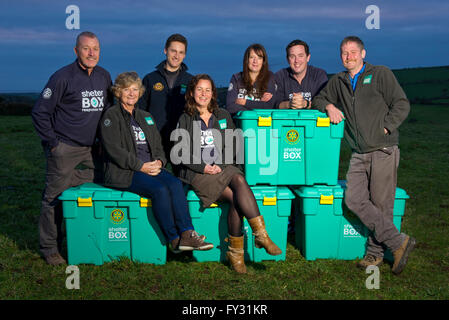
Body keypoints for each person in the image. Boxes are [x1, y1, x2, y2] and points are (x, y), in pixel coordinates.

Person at [312, 36, 416, 275]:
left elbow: (401, 103)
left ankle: (375, 254)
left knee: (382, 204)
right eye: (344, 53)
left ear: (363, 53)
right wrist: (329, 107)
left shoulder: (380, 74)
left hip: (383, 149)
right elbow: (319, 99)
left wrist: (387, 127)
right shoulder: (338, 80)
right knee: (353, 199)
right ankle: (398, 241)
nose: (348, 56)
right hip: (359, 153)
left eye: (353, 52)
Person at [174, 74, 281, 274]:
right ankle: (253, 242)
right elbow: (180, 153)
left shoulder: (222, 114)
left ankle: (249, 244)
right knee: (236, 198)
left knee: (238, 179)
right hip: (199, 173)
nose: (203, 94)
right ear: (192, 93)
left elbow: (233, 146)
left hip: (223, 168)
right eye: (199, 89)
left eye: (208, 90)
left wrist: (219, 164)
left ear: (213, 93)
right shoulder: (186, 118)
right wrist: (204, 166)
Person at [100, 71, 213, 253]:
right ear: (118, 92)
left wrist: (160, 162)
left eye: (135, 90)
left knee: (175, 183)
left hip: (151, 168)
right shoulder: (111, 116)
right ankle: (174, 240)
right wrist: (141, 166)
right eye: (127, 89)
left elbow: (159, 146)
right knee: (159, 190)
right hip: (126, 171)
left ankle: (187, 234)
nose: (131, 93)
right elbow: (113, 149)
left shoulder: (145, 116)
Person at [32, 31, 113, 265]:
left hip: (93, 148)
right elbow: (40, 111)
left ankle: (88, 232)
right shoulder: (62, 77)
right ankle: (50, 248)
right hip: (65, 146)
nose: (91, 53)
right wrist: (53, 144)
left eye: (95, 48)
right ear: (76, 50)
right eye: (86, 48)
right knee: (54, 196)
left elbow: (109, 112)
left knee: (108, 179)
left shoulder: (104, 76)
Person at [138, 33, 193, 159]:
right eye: (173, 51)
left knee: (182, 178)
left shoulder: (191, 81)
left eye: (181, 52)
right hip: (154, 139)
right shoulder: (150, 79)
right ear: (165, 51)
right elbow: (140, 111)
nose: (176, 56)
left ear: (184, 55)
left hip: (182, 139)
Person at [225, 44, 277, 116]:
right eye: (252, 57)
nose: (255, 61)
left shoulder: (270, 77)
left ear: (263, 61)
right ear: (247, 60)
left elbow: (269, 106)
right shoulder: (236, 78)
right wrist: (259, 104)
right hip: (239, 124)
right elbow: (230, 107)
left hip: (262, 124)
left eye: (259, 58)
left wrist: (245, 102)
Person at [275, 39, 328, 109]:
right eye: (292, 56)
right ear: (288, 59)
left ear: (308, 57)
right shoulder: (280, 76)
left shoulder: (319, 75)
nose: (296, 60)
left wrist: (305, 103)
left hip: (313, 119)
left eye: (300, 56)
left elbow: (325, 102)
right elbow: (276, 104)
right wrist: (290, 104)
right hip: (288, 119)